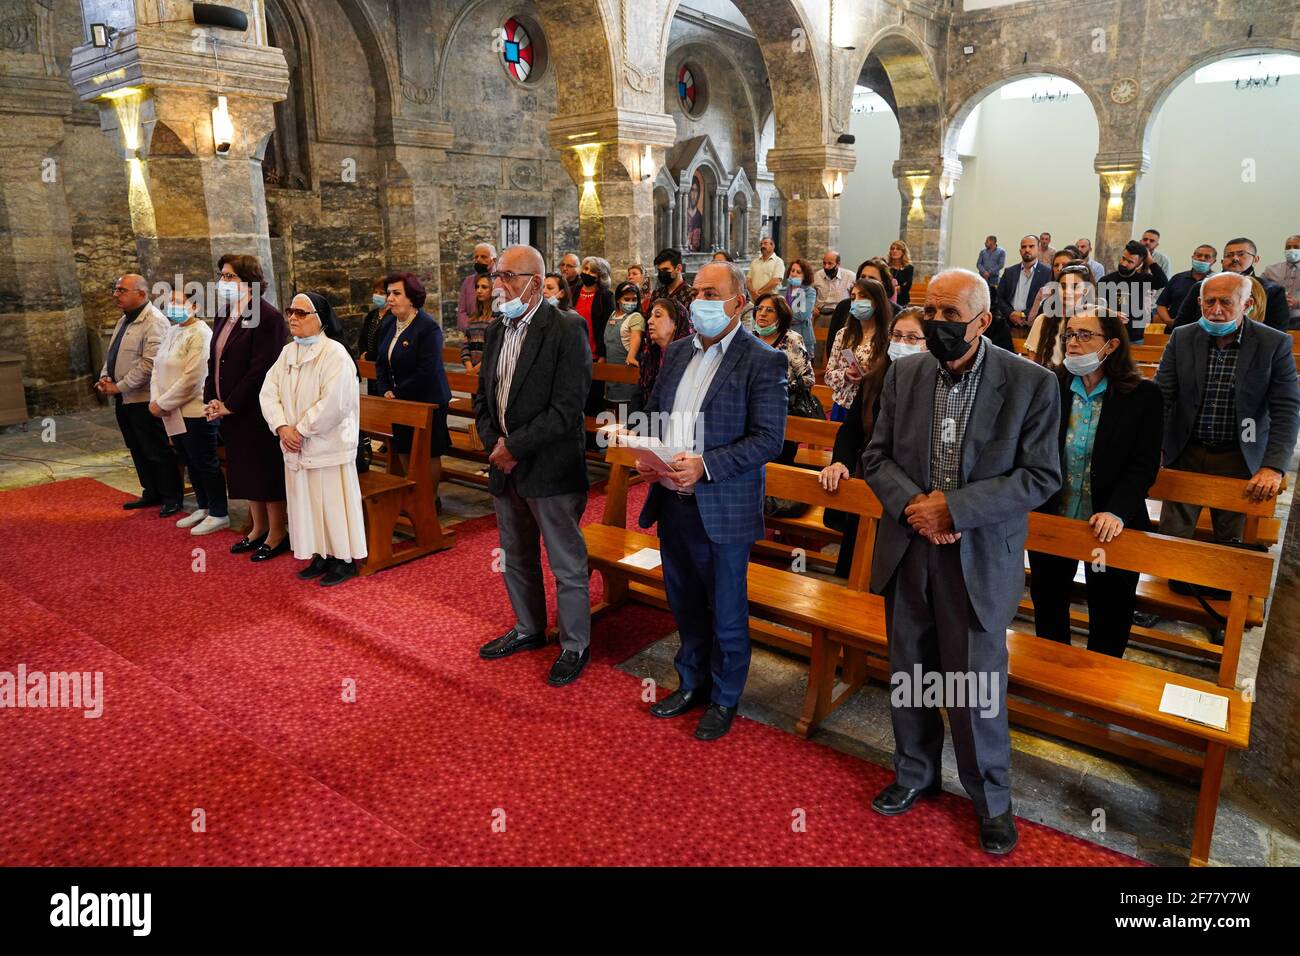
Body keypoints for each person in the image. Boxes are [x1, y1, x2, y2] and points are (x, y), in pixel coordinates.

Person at [862, 267, 1061, 855]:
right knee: (912, 672)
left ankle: (990, 799)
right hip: (909, 548)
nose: (939, 323)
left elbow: (1041, 476)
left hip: (976, 556)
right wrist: (916, 509)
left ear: (984, 319)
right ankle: (915, 771)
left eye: (952, 315)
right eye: (931, 312)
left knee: (974, 685)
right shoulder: (905, 373)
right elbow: (876, 456)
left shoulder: (1029, 383)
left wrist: (956, 509)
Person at [636, 261, 788, 740]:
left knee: (725, 609)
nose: (698, 300)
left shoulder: (762, 360)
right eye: (696, 291)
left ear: (738, 302)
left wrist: (707, 465)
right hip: (672, 501)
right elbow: (658, 413)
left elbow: (768, 439)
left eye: (710, 292)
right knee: (684, 603)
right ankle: (691, 682)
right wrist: (644, 446)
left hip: (722, 505)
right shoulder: (677, 352)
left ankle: (724, 697)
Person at [474, 245, 594, 687]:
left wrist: (514, 447)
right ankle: (528, 628)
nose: (498, 283)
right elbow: (483, 397)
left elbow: (567, 408)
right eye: (496, 274)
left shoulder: (565, 328)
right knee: (516, 556)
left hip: (550, 465)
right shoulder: (497, 330)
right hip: (505, 465)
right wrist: (494, 444)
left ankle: (574, 643)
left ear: (531, 281)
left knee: (566, 563)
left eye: (507, 276)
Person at [1027, 309, 1161, 657]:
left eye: (1085, 335)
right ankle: (1052, 674)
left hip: (1108, 525)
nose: (1072, 342)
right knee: (1049, 602)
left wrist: (1116, 511)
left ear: (1112, 344)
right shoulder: (1050, 386)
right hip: (1054, 517)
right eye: (1069, 334)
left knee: (1109, 609)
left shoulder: (1142, 395)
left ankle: (1102, 681)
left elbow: (1143, 465)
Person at [1155, 272, 1300, 559]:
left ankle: (1219, 595)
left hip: (1239, 456)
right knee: (1171, 542)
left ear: (1246, 304)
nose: (1216, 310)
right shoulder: (1183, 338)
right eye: (1209, 302)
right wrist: (1154, 447)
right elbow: (1161, 397)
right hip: (1185, 451)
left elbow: (1286, 409)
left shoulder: (1273, 343)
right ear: (1199, 302)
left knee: (1228, 545)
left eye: (1226, 302)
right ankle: (1173, 585)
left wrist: (1273, 466)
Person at [260, 292, 366, 587]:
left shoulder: (334, 354)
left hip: (325, 444)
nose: (292, 317)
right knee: (306, 503)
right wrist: (282, 426)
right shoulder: (287, 353)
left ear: (319, 320)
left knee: (332, 503)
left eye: (300, 313)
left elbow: (335, 402)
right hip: (294, 444)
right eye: (290, 311)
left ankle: (343, 559)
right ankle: (320, 553)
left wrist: (301, 429)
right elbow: (268, 393)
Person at [820, 307, 926, 578]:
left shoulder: (933, 387)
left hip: (909, 494)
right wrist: (840, 461)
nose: (902, 344)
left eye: (912, 338)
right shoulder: (875, 379)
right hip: (868, 479)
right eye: (897, 336)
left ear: (929, 343)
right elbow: (851, 429)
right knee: (857, 571)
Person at [205, 254, 290, 561]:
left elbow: (261, 369)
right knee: (245, 471)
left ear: (249, 282)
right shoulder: (225, 313)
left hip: (256, 409)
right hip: (229, 408)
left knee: (264, 471)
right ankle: (257, 529)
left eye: (229, 277)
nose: (222, 282)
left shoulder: (267, 317)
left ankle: (277, 533)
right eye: (222, 277)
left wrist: (231, 403)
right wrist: (211, 399)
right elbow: (215, 360)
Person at [96, 273, 182, 515]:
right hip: (124, 398)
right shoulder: (125, 319)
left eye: (121, 290)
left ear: (141, 294)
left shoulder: (154, 321)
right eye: (116, 289)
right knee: (136, 447)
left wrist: (119, 386)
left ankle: (171, 497)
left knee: (155, 449)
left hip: (143, 398)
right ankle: (151, 492)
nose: (116, 294)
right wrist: (106, 377)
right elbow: (113, 352)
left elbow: (149, 364)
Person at [151, 288, 228, 535]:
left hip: (195, 409)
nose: (172, 306)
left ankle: (219, 512)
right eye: (169, 302)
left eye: (178, 302)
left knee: (205, 462)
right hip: (172, 410)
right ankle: (203, 506)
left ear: (194, 306)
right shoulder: (172, 331)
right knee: (189, 460)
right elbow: (156, 367)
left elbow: (193, 378)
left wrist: (163, 403)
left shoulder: (202, 334)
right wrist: (156, 400)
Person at [374, 271, 452, 504]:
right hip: (400, 401)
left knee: (428, 452)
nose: (390, 298)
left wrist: (397, 392)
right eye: (389, 293)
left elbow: (427, 370)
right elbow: (380, 362)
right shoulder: (389, 323)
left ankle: (429, 500)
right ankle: (414, 495)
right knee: (404, 447)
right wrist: (384, 388)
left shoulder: (428, 328)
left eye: (396, 293)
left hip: (428, 399)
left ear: (412, 297)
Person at [1173, 237, 1291, 331]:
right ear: (1222, 261)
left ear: (1256, 259)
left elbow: (1277, 330)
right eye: (1229, 255)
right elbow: (1182, 323)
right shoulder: (1201, 287)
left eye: (1241, 254)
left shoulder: (1271, 291)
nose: (1235, 258)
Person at [753, 292, 815, 465]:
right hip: (750, 410)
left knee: (780, 462)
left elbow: (808, 378)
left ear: (780, 315)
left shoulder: (792, 340)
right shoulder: (749, 338)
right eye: (759, 309)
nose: (762, 313)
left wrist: (780, 388)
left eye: (769, 310)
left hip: (782, 411)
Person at [825, 279, 891, 422]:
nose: (857, 302)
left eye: (863, 296)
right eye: (853, 297)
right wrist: (845, 374)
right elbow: (828, 375)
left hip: (872, 406)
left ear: (877, 301)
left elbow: (893, 379)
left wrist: (873, 375)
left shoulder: (889, 337)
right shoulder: (843, 334)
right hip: (842, 404)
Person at [1024, 264, 1096, 367]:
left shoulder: (1093, 322)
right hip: (1048, 378)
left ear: (1085, 290)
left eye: (1075, 286)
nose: (1068, 292)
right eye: (1063, 286)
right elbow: (1032, 362)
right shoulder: (1043, 319)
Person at [1098, 239, 1167, 342]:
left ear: (1139, 264)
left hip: (1135, 336)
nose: (1124, 264)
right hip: (1111, 334)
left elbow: (1162, 281)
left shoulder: (1143, 279)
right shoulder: (1106, 280)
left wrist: (1150, 260)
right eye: (1123, 258)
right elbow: (1098, 307)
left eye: (1130, 262)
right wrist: (1111, 313)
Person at [826, 258, 895, 357]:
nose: (865, 281)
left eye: (872, 278)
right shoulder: (844, 307)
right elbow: (831, 346)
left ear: (883, 284)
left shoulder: (895, 311)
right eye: (862, 277)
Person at [995, 235, 1051, 345]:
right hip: (1009, 326)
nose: (1027, 250)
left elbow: (1046, 301)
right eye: (1024, 247)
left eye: (1031, 246)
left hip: (1034, 327)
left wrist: (1023, 315)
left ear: (1038, 248)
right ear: (1020, 251)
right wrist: (1011, 313)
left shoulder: (1047, 273)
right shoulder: (1009, 272)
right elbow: (999, 297)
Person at [636, 297, 692, 407]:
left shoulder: (688, 357)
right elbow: (639, 395)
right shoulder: (650, 356)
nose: (649, 321)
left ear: (675, 324)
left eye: (657, 315)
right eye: (650, 316)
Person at [604, 281, 646, 416]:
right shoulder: (612, 315)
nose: (631, 302)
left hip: (626, 373)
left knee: (625, 415)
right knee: (612, 415)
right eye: (626, 299)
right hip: (611, 374)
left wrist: (631, 356)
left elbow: (636, 337)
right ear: (618, 300)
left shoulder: (636, 317)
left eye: (634, 299)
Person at [1155, 244, 1216, 327]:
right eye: (1199, 255)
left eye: (1207, 257)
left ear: (1214, 261)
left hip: (1204, 331)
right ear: (1193, 257)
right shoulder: (1177, 278)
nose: (1202, 259)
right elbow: (1161, 304)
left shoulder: (1216, 281)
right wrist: (1168, 321)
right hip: (1175, 329)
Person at [1025, 249, 1077, 327]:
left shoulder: (1081, 291)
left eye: (1064, 264)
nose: (1059, 268)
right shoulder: (1044, 291)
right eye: (1056, 265)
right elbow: (1031, 321)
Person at [355, 275, 390, 391]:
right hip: (370, 366)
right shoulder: (372, 315)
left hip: (385, 368)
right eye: (375, 292)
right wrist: (363, 353)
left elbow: (387, 345)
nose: (377, 295)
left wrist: (368, 356)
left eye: (381, 293)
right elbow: (363, 337)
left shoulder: (393, 317)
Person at [783, 258, 818, 362]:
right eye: (792, 271)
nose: (794, 274)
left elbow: (802, 315)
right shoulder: (785, 291)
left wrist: (785, 315)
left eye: (798, 272)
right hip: (786, 336)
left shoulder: (809, 292)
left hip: (803, 337)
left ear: (805, 276)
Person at [1261, 234, 1300, 327]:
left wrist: (1298, 303)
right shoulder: (1271, 270)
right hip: (1274, 320)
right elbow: (1258, 291)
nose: (1291, 250)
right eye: (1288, 247)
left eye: (1296, 247)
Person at [455, 243, 496, 331]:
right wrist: (472, 329)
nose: (478, 260)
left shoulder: (500, 281)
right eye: (476, 257)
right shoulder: (468, 282)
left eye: (483, 257)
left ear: (494, 260)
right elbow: (461, 311)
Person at [460, 273, 494, 374]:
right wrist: (469, 366)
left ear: (493, 290)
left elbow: (493, 350)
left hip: (488, 372)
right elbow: (465, 345)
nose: (479, 290)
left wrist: (477, 369)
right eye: (477, 287)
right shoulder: (473, 319)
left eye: (484, 287)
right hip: (472, 371)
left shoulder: (496, 319)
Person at [653, 247, 698, 313]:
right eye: (660, 270)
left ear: (678, 268)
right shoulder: (657, 294)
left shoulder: (690, 295)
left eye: (666, 269)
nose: (662, 273)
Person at [812, 250, 854, 319]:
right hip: (820, 315)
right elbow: (808, 293)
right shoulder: (817, 275)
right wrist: (812, 307)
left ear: (838, 264)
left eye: (830, 263)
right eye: (824, 263)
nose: (826, 267)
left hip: (840, 315)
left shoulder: (850, 276)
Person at [747, 235, 785, 302]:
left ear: (772, 246)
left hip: (770, 300)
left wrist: (758, 293)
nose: (762, 246)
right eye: (761, 244)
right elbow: (748, 279)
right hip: (754, 299)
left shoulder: (778, 262)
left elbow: (776, 281)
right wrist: (753, 292)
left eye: (765, 243)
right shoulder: (755, 262)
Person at [888, 240, 915, 306]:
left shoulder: (908, 268)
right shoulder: (886, 266)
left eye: (898, 249)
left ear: (903, 252)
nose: (894, 251)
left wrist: (896, 289)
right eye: (892, 249)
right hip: (887, 300)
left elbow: (907, 286)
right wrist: (896, 288)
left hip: (902, 301)